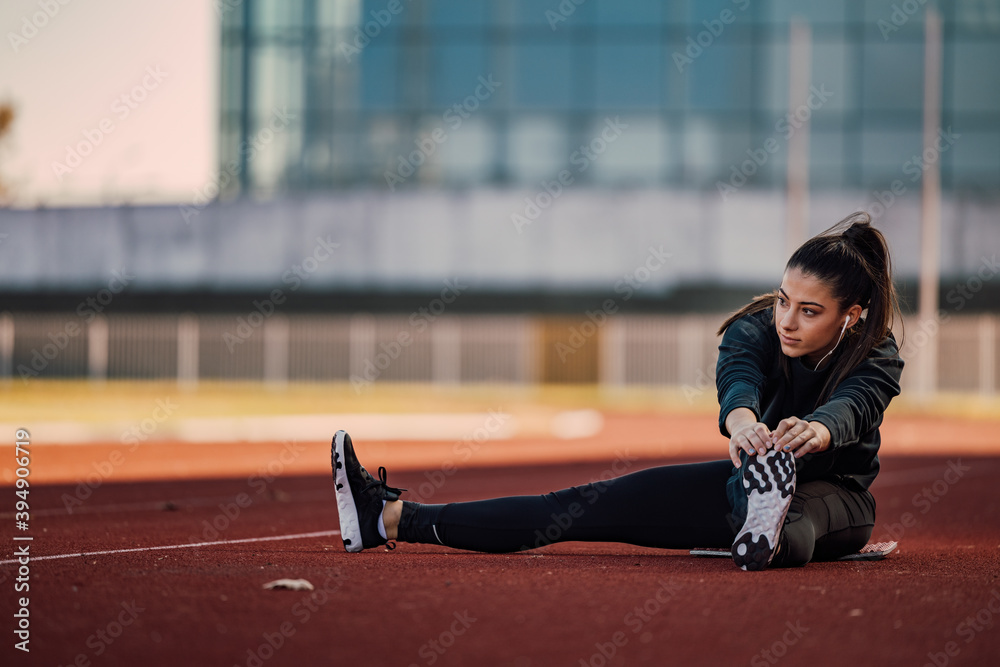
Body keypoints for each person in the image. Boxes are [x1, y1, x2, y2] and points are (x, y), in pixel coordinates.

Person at [330, 211, 905, 570]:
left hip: (838, 497)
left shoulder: (876, 355)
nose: (787, 320)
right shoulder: (755, 327)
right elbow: (737, 381)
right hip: (743, 474)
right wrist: (744, 426)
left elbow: (854, 407)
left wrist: (818, 429)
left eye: (809, 311)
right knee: (573, 508)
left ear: (850, 316)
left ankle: (766, 526)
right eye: (784, 300)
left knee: (798, 521)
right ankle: (388, 518)